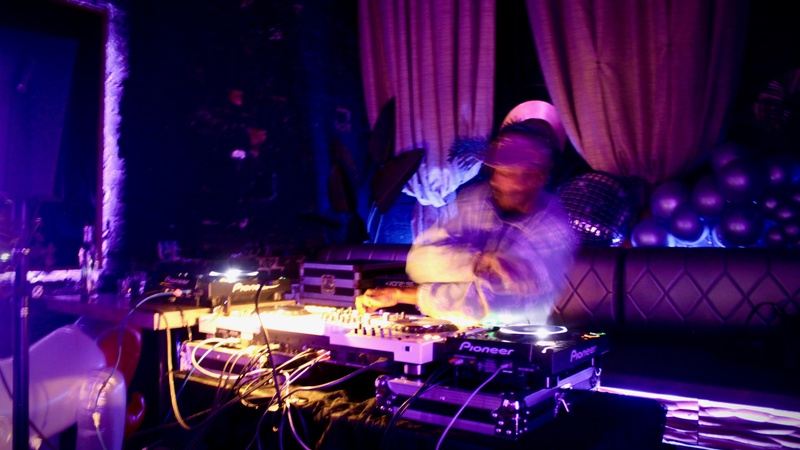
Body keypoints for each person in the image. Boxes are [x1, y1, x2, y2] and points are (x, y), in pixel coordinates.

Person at [356, 102, 577, 327]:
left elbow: (488, 306)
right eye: (496, 170)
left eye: (509, 173)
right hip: (461, 331)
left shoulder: (554, 228)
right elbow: (420, 261)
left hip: (519, 343)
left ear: (537, 177)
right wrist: (477, 262)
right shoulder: (477, 200)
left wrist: (402, 295)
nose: (495, 180)